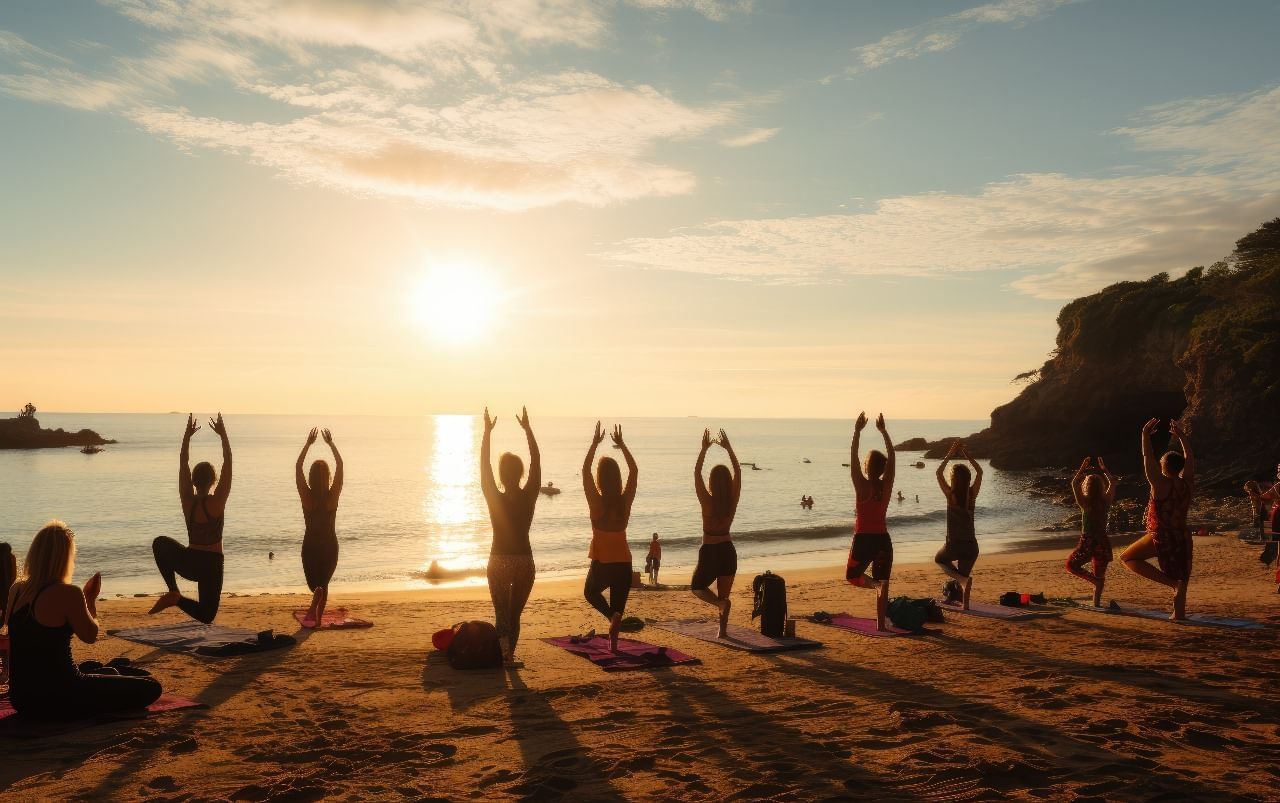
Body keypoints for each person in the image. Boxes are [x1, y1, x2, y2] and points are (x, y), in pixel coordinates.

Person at [4, 522, 161, 720]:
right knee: (152, 687)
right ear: (65, 558)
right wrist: (90, 601)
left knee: (97, 668)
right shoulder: (68, 593)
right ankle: (112, 674)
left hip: (22, 698)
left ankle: (110, 673)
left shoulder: (16, 590)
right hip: (62, 695)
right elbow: (90, 636)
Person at [150, 413, 231, 623]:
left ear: (193, 481)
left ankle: (173, 590)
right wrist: (223, 435)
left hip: (190, 562)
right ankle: (177, 599)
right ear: (214, 481)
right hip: (211, 566)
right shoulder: (217, 502)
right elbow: (228, 462)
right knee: (207, 616)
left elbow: (183, 462)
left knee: (159, 543)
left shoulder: (187, 501)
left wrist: (187, 437)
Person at [480, 406, 540, 667]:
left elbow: (484, 469)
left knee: (502, 613)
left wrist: (486, 433)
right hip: (524, 562)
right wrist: (528, 430)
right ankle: (508, 655)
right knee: (514, 614)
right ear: (521, 473)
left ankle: (504, 655)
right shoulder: (529, 497)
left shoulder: (495, 497)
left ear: (502, 475)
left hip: (499, 561)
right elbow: (537, 462)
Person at [1121, 418, 1195, 619]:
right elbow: (1189, 457)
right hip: (1182, 536)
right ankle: (1178, 613)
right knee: (1182, 577)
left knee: (1127, 557)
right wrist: (1182, 437)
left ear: (1164, 465)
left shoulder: (1159, 484)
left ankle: (1172, 584)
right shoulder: (1187, 483)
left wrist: (1145, 435)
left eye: (1161, 461)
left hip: (1162, 535)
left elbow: (1147, 456)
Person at [581, 422, 639, 652]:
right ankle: (613, 646)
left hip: (603, 564)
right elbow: (634, 472)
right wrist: (622, 445)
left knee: (590, 593)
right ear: (617, 478)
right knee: (618, 607)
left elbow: (585, 471)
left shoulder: (597, 504)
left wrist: (594, 444)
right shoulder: (624, 503)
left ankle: (611, 617)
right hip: (624, 564)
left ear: (600, 479)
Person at [846, 413, 897, 630]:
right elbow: (893, 457)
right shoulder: (886, 486)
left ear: (867, 467)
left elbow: (853, 457)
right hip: (883, 540)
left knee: (852, 576)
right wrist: (884, 432)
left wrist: (857, 431)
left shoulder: (861, 485)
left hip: (863, 539)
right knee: (884, 584)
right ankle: (881, 625)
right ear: (883, 469)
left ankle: (874, 585)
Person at [692, 428, 742, 638]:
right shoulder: (732, 501)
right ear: (728, 482)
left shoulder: (707, 502)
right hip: (728, 551)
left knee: (697, 587)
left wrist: (703, 450)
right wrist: (729, 448)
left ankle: (719, 604)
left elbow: (696, 474)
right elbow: (738, 472)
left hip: (710, 551)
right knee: (724, 592)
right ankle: (722, 630)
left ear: (711, 482)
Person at [296, 427, 345, 628]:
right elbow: (340, 465)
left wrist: (308, 444)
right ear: (328, 477)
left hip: (311, 546)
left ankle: (313, 614)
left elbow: (298, 467)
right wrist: (331, 444)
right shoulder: (332, 497)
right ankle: (316, 616)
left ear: (311, 477)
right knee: (323, 584)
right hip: (329, 546)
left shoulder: (307, 498)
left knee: (315, 585)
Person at [935, 441, 983, 610]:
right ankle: (965, 604)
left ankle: (962, 583)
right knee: (961, 575)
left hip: (954, 545)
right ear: (968, 478)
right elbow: (980, 472)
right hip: (972, 546)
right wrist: (967, 455)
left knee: (939, 559)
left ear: (953, 479)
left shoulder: (951, 495)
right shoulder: (972, 494)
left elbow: (938, 472)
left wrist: (950, 453)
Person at [1066, 457, 1116, 607]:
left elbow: (1074, 483)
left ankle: (1095, 582)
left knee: (1071, 565)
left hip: (1088, 542)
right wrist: (1104, 470)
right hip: (1103, 542)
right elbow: (1113, 482)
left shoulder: (1085, 503)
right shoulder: (1105, 502)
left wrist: (1082, 468)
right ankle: (1096, 603)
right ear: (1101, 486)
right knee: (1099, 573)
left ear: (1086, 487)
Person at [0, 541, 16, 684]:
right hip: (8, 600)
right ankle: (6, 671)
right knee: (6, 637)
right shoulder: (11, 557)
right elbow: (13, 579)